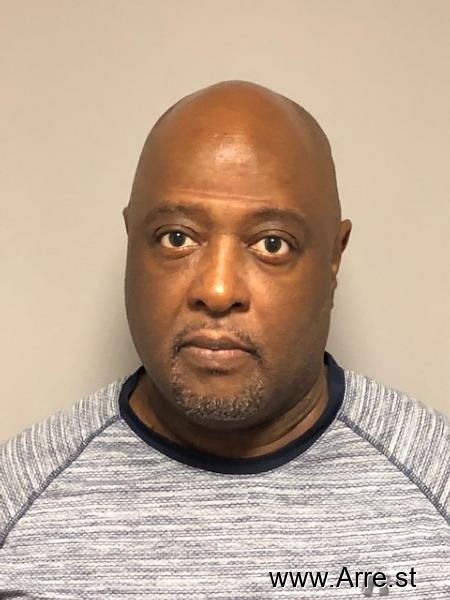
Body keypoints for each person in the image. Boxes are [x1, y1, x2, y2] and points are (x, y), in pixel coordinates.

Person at [0, 81, 448, 599]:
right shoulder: (16, 501)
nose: (217, 290)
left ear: (333, 258)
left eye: (272, 243)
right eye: (176, 237)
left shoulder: (437, 485)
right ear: (131, 240)